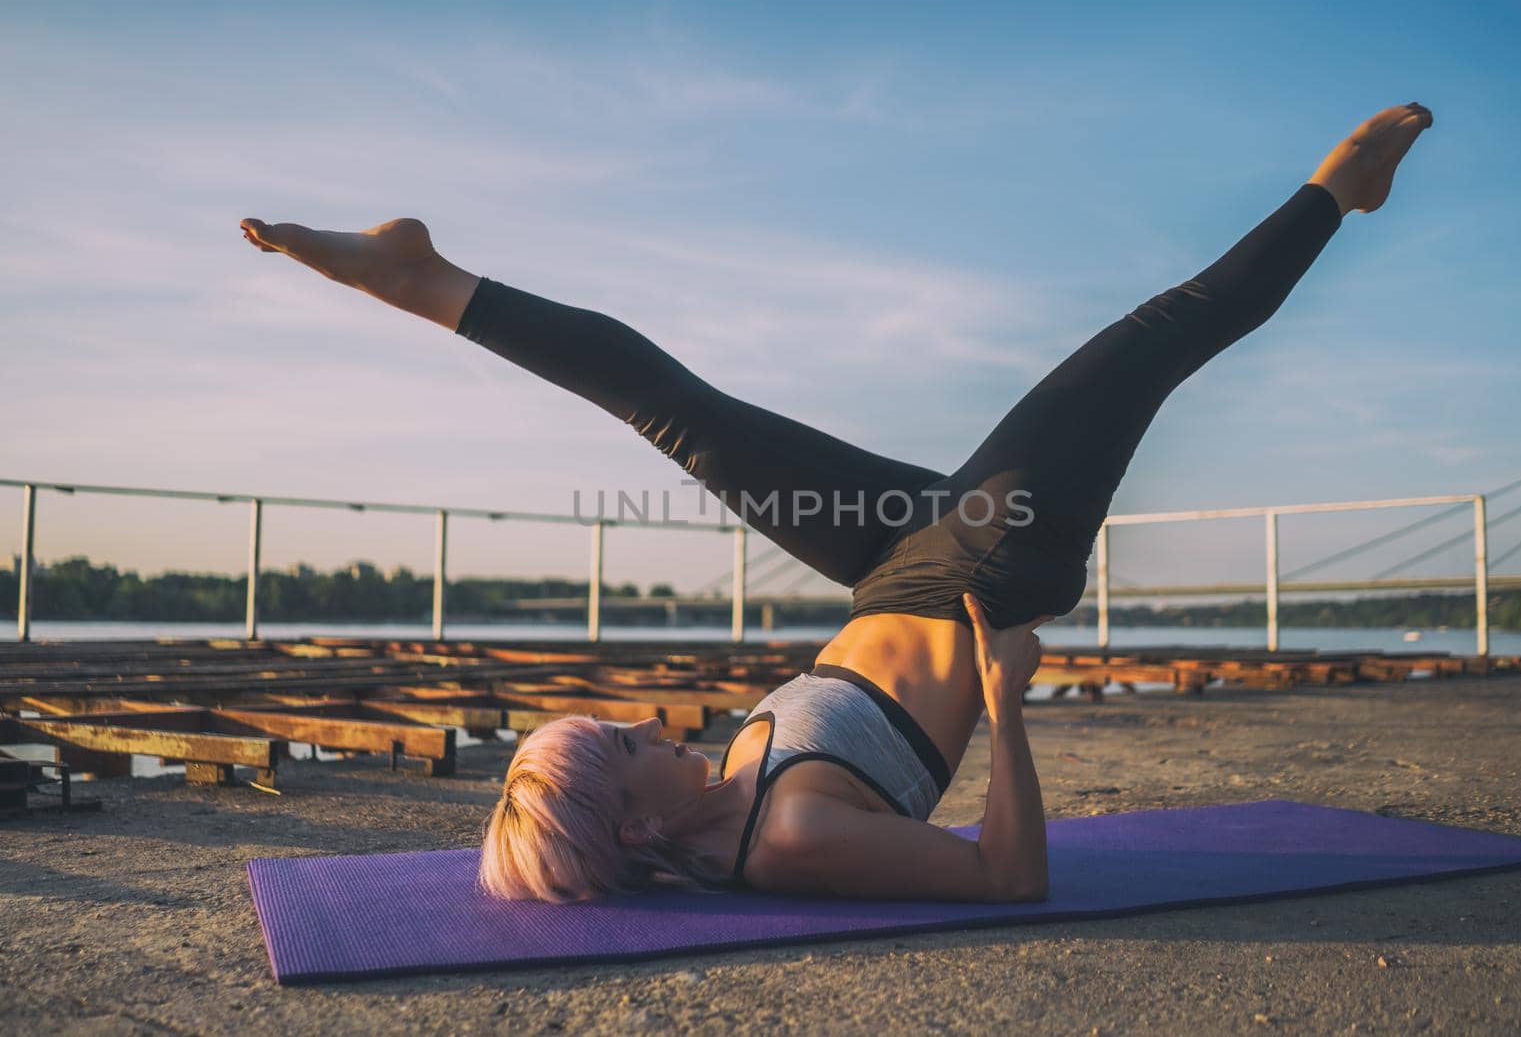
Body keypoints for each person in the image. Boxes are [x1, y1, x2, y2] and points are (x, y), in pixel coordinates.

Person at [240, 102, 1433, 904]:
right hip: (987, 570)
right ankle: (1337, 192)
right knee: (1143, 346)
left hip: (888, 562)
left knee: (680, 415)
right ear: (639, 831)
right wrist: (1009, 704)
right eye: (623, 746)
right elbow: (1005, 879)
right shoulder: (786, 840)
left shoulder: (712, 797)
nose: (649, 724)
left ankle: (428, 279)